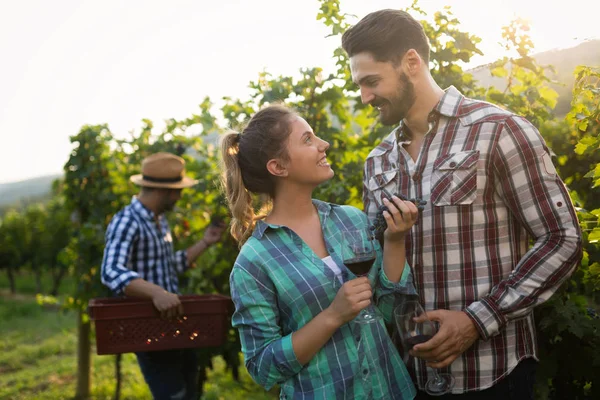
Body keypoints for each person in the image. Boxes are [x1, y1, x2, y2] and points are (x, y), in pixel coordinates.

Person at [341, 9, 583, 399]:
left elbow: (562, 238)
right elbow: (379, 269)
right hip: (409, 380)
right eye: (359, 85)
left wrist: (476, 320)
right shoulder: (378, 161)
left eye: (372, 81)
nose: (364, 97)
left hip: (494, 374)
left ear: (411, 63)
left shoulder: (497, 130)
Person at [221, 104, 419, 399]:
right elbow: (263, 367)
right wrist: (333, 316)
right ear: (278, 167)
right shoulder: (254, 261)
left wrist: (395, 240)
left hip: (391, 390)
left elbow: (388, 312)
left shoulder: (350, 221)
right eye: (308, 139)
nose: (323, 145)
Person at [100, 152, 226, 400]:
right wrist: (156, 293)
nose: (180, 196)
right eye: (177, 190)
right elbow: (111, 270)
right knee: (173, 395)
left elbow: (168, 266)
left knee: (190, 390)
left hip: (175, 324)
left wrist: (204, 242)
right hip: (150, 329)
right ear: (164, 191)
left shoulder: (159, 220)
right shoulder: (127, 221)